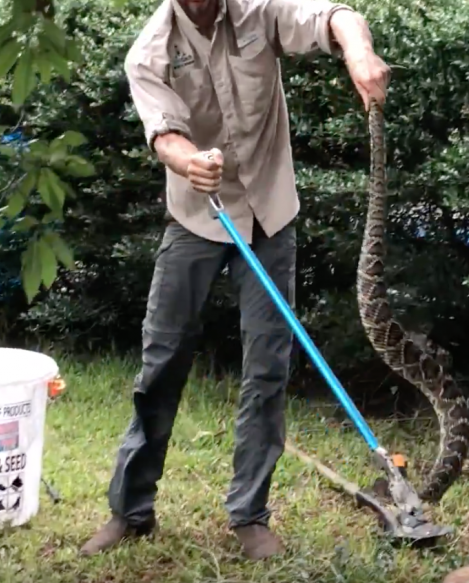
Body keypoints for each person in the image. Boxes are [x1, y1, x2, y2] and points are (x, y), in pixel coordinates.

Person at [79, 0, 390, 561]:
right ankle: (130, 510)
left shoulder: (259, 11)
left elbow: (333, 16)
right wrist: (186, 161)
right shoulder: (150, 50)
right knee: (162, 362)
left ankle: (250, 515)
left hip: (270, 216)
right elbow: (164, 133)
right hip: (198, 219)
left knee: (268, 366)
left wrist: (360, 52)